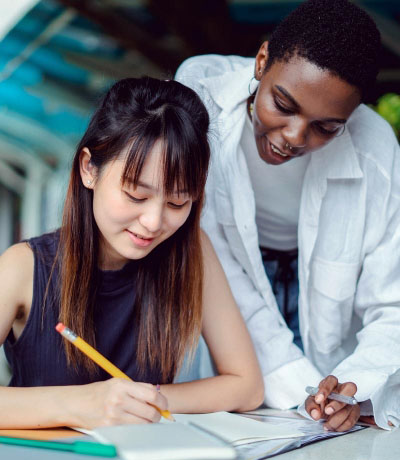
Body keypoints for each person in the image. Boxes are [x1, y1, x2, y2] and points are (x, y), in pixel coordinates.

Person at [176, 0, 400, 431]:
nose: (295, 137)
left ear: (351, 118)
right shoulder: (199, 96)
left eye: (327, 127)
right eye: (283, 104)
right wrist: (303, 387)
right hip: (227, 277)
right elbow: (212, 252)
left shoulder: (376, 148)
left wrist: (350, 387)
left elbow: (391, 302)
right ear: (261, 62)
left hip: (321, 298)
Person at [0, 77, 264, 429]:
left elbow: (247, 386)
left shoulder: (192, 251)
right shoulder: (23, 266)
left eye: (177, 201)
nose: (154, 222)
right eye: (136, 196)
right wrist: (81, 403)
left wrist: (143, 402)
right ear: (89, 169)